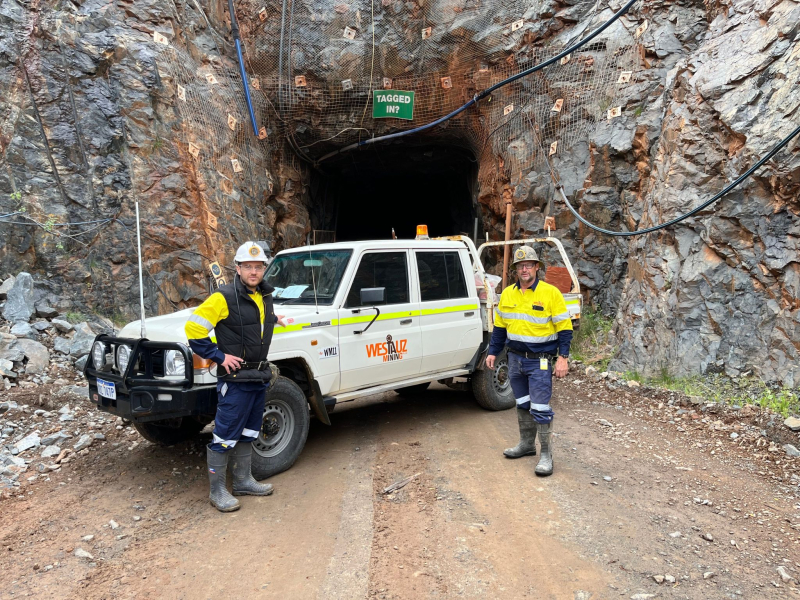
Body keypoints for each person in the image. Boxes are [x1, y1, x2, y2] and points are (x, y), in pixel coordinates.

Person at [184, 241, 286, 512]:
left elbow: (252, 320)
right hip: (236, 379)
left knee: (249, 432)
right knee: (225, 435)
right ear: (238, 268)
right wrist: (219, 356)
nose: (253, 272)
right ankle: (217, 492)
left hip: (258, 375)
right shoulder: (223, 297)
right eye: (248, 267)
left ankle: (243, 482)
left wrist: (274, 319)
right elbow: (193, 329)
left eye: (258, 267)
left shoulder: (264, 296)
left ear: (264, 269)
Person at [485, 246, 572, 476]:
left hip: (540, 361)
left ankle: (546, 454)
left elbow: (565, 329)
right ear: (516, 270)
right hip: (515, 361)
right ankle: (526, 445)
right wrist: (493, 351)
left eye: (528, 265)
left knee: (540, 407)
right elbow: (500, 328)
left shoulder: (550, 293)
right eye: (520, 266)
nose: (524, 269)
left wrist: (563, 358)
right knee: (523, 403)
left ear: (536, 267)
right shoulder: (507, 295)